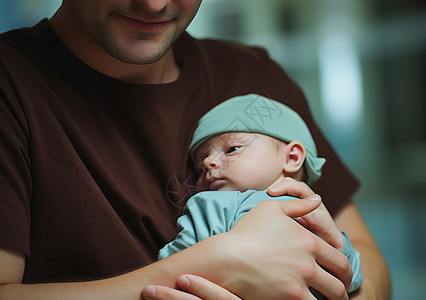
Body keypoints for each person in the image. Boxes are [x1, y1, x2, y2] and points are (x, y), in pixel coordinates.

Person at [0, 0, 390, 299]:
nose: (154, 3)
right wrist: (211, 264)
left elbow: (368, 260)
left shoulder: (254, 79)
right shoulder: (12, 83)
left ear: (293, 158)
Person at [157, 94, 364, 297]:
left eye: (232, 149)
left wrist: (340, 246)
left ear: (292, 157)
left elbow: (351, 278)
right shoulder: (213, 204)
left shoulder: (313, 212)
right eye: (200, 167)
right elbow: (175, 264)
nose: (209, 163)